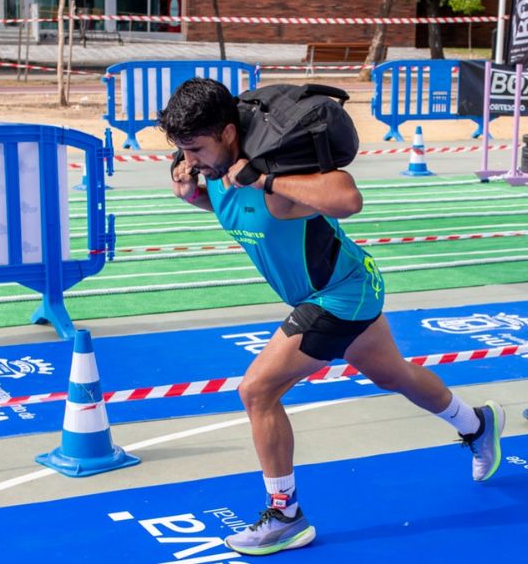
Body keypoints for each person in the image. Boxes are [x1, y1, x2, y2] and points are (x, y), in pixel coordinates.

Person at [159, 78, 506, 556]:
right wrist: (195, 197)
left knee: (257, 391)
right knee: (394, 376)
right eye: (181, 151)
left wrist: (263, 179)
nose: (189, 161)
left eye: (195, 148)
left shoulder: (271, 176)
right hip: (347, 286)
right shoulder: (216, 174)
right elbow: (242, 213)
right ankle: (477, 423)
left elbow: (348, 198)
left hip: (339, 296)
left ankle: (285, 515)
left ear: (227, 132)